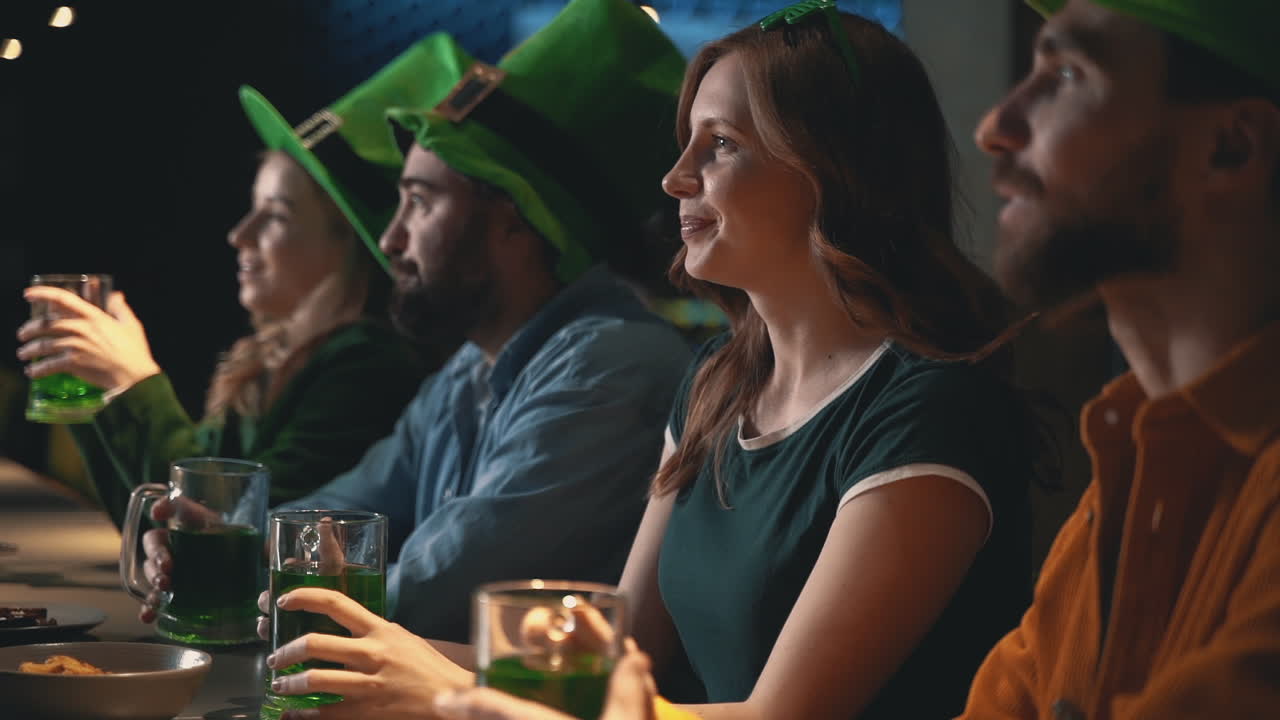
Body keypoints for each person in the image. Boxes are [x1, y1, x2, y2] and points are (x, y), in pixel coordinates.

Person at [261, 5, 1047, 719]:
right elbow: (616, 664)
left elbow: (784, 718)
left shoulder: (928, 411)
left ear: (834, 170)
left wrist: (451, 692)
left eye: (722, 145)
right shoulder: (719, 382)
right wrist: (364, 651)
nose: (676, 180)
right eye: (686, 147)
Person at [139, 0, 693, 642]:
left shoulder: (613, 363)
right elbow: (347, 508)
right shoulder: (472, 366)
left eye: (420, 204)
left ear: (516, 217)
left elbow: (447, 588)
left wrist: (264, 589)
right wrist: (222, 540)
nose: (391, 240)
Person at [15, 78, 427, 525]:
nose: (240, 235)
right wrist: (96, 389)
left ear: (346, 243)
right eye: (253, 208)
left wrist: (133, 381)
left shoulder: (368, 367)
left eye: (276, 216)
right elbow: (148, 516)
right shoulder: (271, 356)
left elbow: (226, 526)